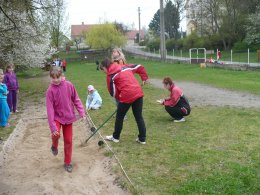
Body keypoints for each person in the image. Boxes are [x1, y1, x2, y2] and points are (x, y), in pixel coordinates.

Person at [46, 67, 86, 173]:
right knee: (56, 133)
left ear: (61, 76)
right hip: (57, 117)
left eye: (57, 77)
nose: (56, 80)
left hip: (68, 117)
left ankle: (67, 162)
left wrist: (82, 112)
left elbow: (76, 99)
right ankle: (54, 146)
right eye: (53, 78)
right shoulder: (50, 90)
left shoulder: (69, 85)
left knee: (68, 140)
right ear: (51, 78)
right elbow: (50, 109)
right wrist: (52, 126)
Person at [100, 58, 149, 144]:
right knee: (138, 116)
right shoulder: (125, 66)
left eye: (102, 69)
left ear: (105, 67)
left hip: (127, 95)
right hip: (138, 93)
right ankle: (142, 139)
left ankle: (115, 137)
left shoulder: (110, 76)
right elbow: (140, 67)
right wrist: (144, 78)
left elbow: (113, 92)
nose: (103, 71)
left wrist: (120, 98)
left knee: (119, 117)